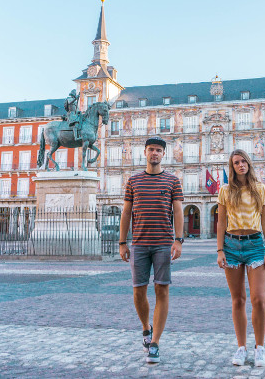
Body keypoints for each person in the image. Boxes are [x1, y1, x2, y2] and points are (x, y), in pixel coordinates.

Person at [119, 136, 184, 364]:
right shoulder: (133, 181)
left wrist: (179, 240)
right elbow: (126, 213)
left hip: (163, 243)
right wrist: (122, 242)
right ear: (144, 153)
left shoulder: (173, 181)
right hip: (138, 243)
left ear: (163, 154)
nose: (154, 153)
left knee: (162, 290)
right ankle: (146, 328)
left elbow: (178, 211)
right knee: (138, 291)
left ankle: (155, 342)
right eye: (151, 150)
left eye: (158, 150)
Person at [217, 149, 265, 368]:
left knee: (258, 299)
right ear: (232, 168)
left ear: (248, 164)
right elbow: (221, 223)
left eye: (243, 161)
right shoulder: (225, 191)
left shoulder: (260, 189)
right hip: (231, 246)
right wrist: (220, 250)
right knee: (238, 299)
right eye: (236, 163)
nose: (241, 165)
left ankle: (260, 348)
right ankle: (241, 347)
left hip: (255, 246)